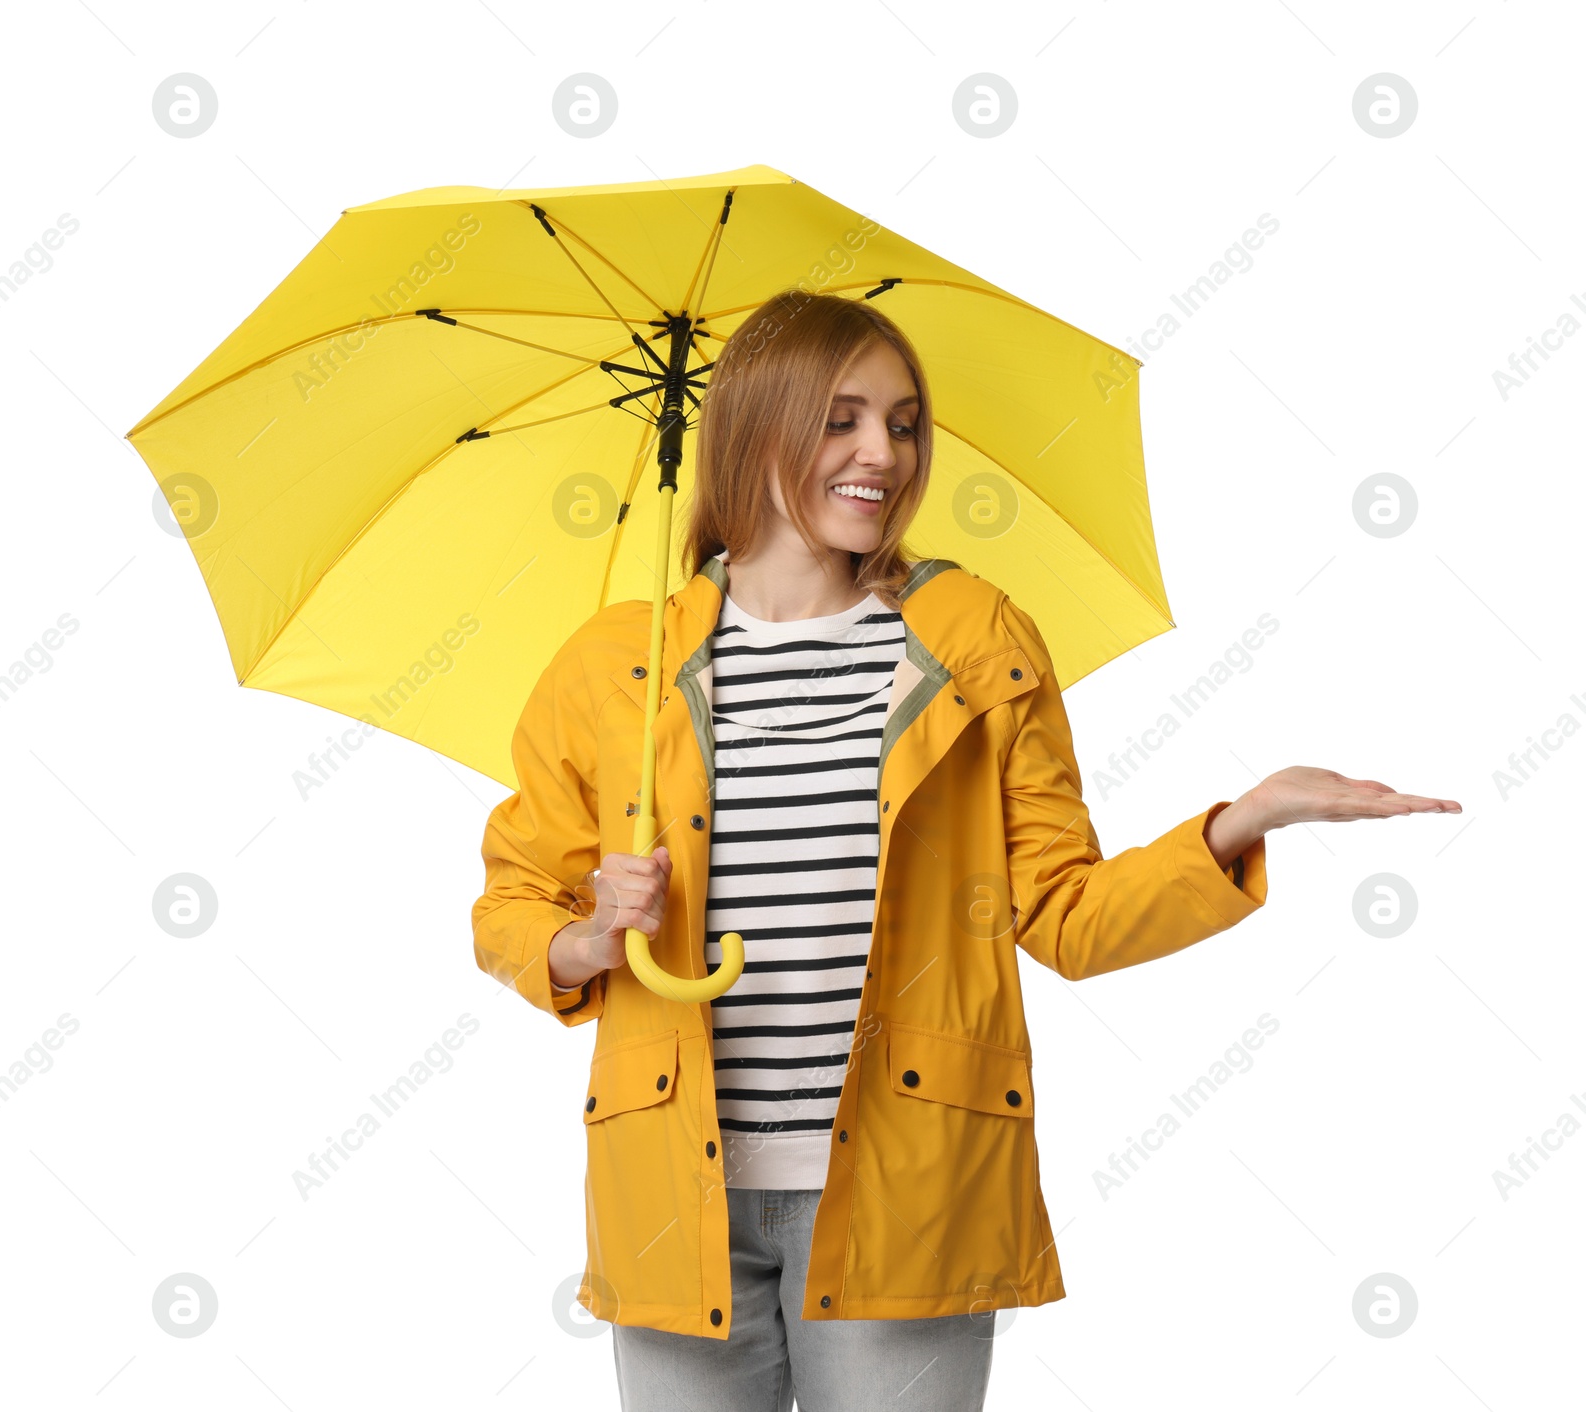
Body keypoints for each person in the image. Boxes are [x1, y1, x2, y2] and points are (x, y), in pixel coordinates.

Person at [472, 289, 1460, 1412]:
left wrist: (1237, 823)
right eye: (838, 418)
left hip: (912, 1184)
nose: (879, 454)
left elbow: (1065, 914)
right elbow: (509, 901)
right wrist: (587, 933)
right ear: (751, 431)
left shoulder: (973, 637)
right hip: (669, 1196)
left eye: (901, 422)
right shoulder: (615, 663)